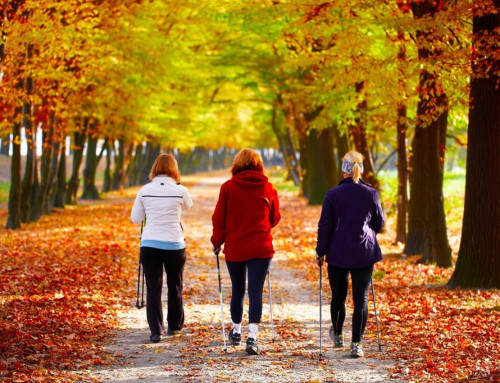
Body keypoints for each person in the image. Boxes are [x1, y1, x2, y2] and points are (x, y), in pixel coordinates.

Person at [211, 148, 281, 355]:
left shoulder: (228, 187)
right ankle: (253, 337)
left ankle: (236, 331)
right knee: (256, 291)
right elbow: (275, 218)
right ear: (258, 165)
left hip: (236, 247)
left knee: (238, 290)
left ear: (237, 164)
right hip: (261, 247)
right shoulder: (268, 188)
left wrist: (217, 241)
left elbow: (219, 219)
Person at [316, 150, 384, 358]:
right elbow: (379, 224)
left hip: (337, 252)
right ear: (361, 169)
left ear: (343, 169)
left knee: (338, 296)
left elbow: (325, 225)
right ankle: (357, 343)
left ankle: (337, 334)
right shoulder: (371, 193)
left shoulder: (332, 195)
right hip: (364, 251)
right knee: (361, 298)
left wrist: (321, 251)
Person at [131, 153, 193, 343]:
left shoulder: (145, 190)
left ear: (155, 168)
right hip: (174, 244)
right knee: (175, 286)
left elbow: (135, 219)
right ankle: (174, 327)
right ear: (174, 169)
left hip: (150, 244)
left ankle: (156, 331)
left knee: (153, 288)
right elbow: (189, 207)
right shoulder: (180, 190)